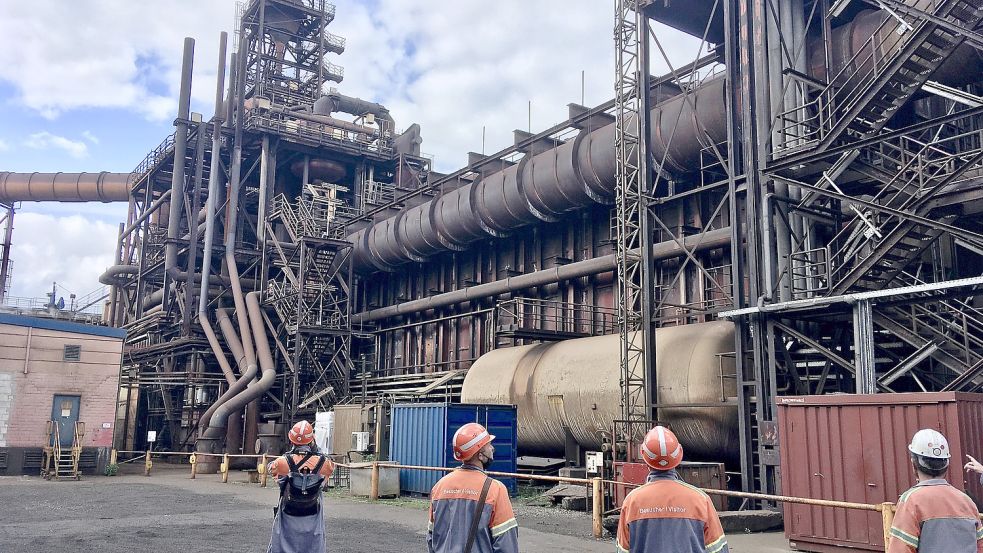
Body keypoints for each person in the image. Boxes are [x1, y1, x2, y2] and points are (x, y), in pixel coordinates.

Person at [617, 426, 728, 553]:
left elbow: (622, 550)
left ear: (645, 459)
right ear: (679, 454)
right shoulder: (701, 499)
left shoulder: (631, 501)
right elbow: (719, 549)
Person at [427, 422, 519, 553]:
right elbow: (506, 545)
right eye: (488, 445)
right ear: (480, 455)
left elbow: (432, 538)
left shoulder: (439, 487)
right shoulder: (495, 490)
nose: (492, 448)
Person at [887, 429, 983, 553]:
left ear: (913, 464)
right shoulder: (967, 502)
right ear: (946, 465)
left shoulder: (911, 501)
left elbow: (900, 549)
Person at [266, 420, 335, 553]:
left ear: (291, 441)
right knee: (313, 544)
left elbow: (272, 470)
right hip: (312, 510)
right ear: (312, 440)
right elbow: (329, 472)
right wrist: (315, 451)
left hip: (289, 510)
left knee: (282, 543)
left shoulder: (282, 462)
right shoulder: (324, 463)